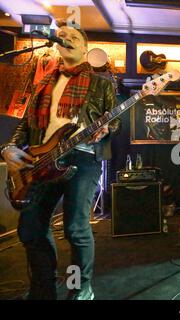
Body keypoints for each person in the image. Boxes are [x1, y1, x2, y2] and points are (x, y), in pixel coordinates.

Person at [0, 24, 120, 299]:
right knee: (30, 228)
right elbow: (24, 127)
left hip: (83, 156)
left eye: (74, 36)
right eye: (62, 36)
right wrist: (7, 149)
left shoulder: (101, 83)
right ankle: (43, 288)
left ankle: (80, 288)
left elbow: (115, 123)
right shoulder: (43, 83)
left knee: (75, 227)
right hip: (41, 161)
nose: (65, 38)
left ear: (85, 49)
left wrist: (106, 129)